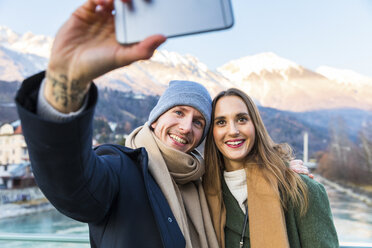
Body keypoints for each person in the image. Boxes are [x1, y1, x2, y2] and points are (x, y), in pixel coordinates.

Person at [15, 0, 309, 247]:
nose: (186, 127)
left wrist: (280, 169)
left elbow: (242, 178)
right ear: (155, 120)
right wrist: (67, 81)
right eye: (178, 113)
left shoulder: (204, 181)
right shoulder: (119, 168)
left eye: (198, 122)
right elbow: (71, 187)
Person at [203, 88, 339, 248]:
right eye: (221, 122)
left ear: (255, 125)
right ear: (211, 132)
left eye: (241, 119)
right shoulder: (204, 195)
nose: (233, 131)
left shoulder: (303, 190)